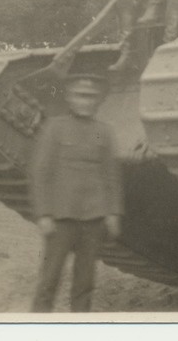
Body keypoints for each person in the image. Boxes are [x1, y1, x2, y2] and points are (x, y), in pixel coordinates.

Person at [30, 74, 123, 312]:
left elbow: (111, 175)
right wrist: (44, 214)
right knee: (49, 280)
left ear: (98, 101)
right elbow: (41, 173)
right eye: (81, 96)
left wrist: (113, 213)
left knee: (85, 282)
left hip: (93, 218)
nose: (86, 101)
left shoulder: (105, 131)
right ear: (70, 99)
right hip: (61, 218)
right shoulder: (54, 128)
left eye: (91, 97)